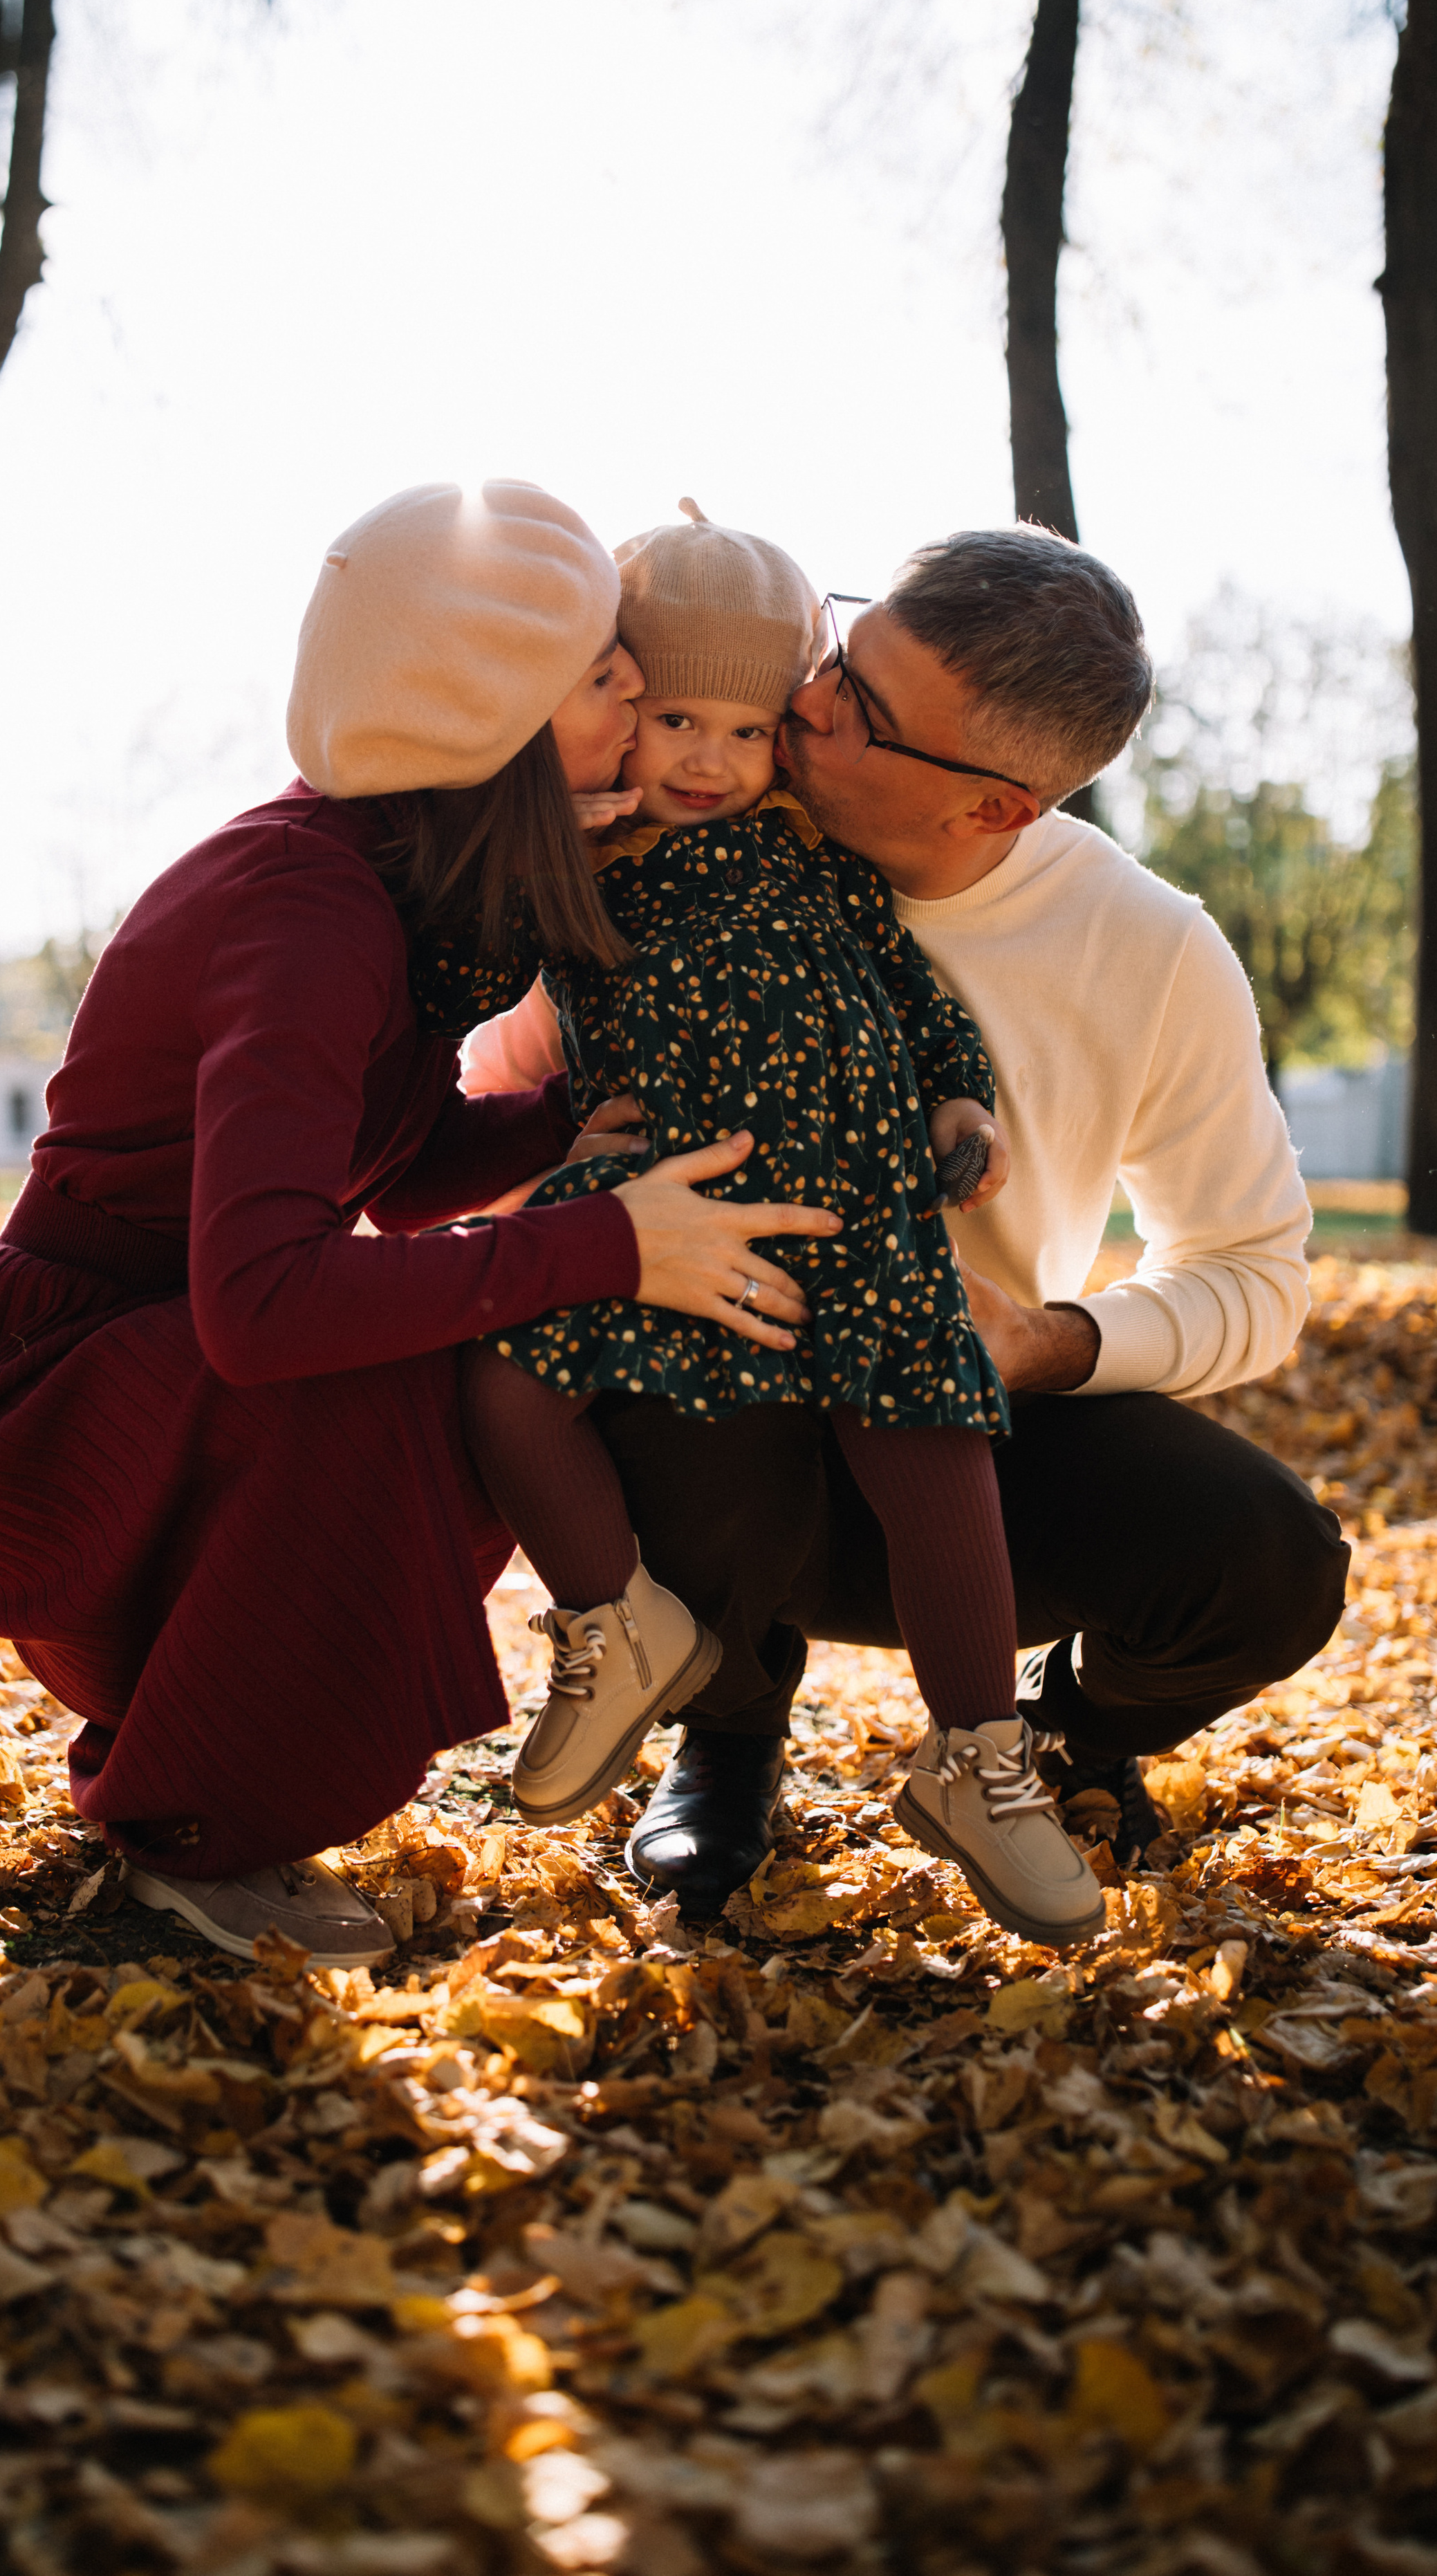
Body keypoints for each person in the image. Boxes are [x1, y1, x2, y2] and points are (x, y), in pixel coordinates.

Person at [0, 479, 839, 1966]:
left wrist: (562, 1127)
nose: (636, 698)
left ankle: (217, 1758)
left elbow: (393, 1174)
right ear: (489, 713)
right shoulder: (305, 910)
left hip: (147, 1364)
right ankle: (198, 1823)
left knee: (450, 1329)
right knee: (426, 1364)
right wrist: (609, 1241)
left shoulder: (386, 873)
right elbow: (262, 1304)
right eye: (603, 675)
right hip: (53, 1410)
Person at [485, 524, 1351, 1919]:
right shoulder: (673, 834)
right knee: (665, 1362)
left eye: (862, 710)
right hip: (722, 1393)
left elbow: (1255, 1274)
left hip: (957, 1417)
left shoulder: (1146, 946)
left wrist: (1049, 1342)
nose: (806, 701)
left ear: (994, 806)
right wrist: (560, 1166)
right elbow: (496, 1094)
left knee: (1268, 1559)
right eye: (840, 651)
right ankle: (728, 1733)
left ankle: (1054, 1740)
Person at [458, 504, 1104, 1947]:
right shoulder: (570, 869)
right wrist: (548, 829)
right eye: (675, 720)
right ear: (615, 706)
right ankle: (614, 1623)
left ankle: (978, 1756)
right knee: (502, 1376)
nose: (710, 759)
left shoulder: (812, 852)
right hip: (671, 1201)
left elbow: (907, 986)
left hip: (863, 1200)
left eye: (748, 730)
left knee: (934, 1456)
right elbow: (465, 967)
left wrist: (957, 1093)